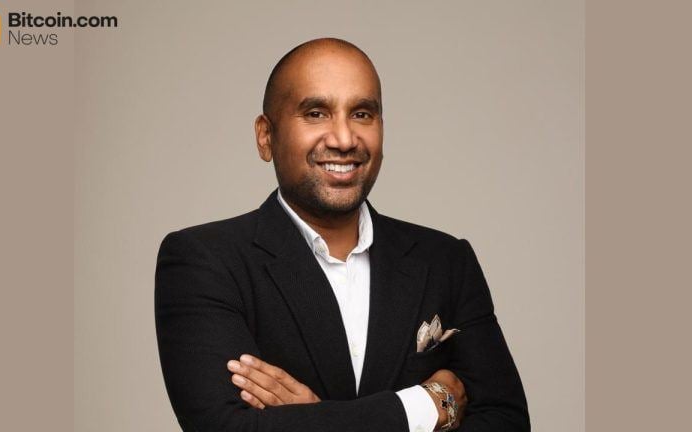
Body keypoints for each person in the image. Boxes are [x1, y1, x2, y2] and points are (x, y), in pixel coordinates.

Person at [155, 37, 529, 432]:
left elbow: (508, 422)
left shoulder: (445, 261)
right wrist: (422, 406)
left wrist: (314, 418)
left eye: (362, 114)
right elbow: (226, 428)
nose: (344, 139)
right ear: (266, 136)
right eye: (316, 113)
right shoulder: (204, 261)